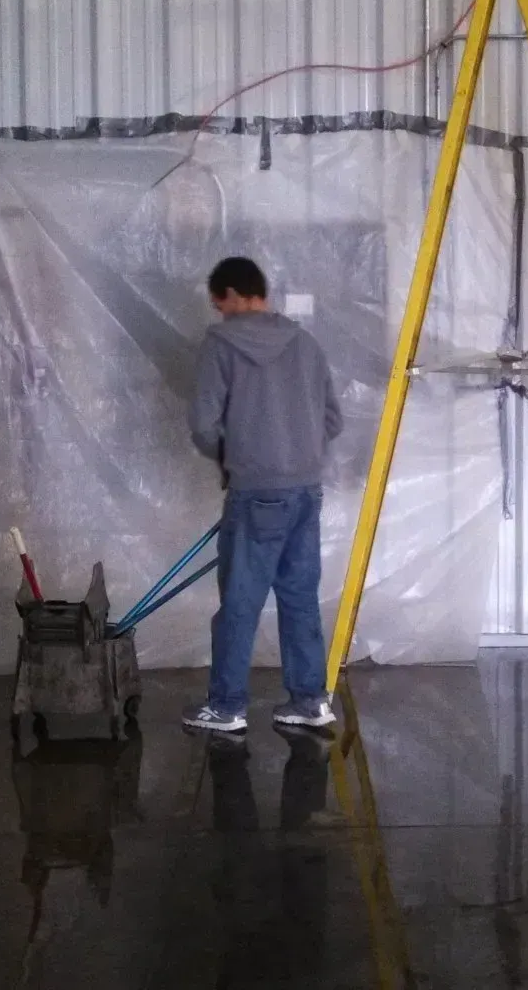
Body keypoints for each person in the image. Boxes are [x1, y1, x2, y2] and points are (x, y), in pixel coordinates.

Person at [184, 256, 342, 733]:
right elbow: (333, 420)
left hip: (255, 493)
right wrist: (297, 454)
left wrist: (239, 458)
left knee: (239, 601)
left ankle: (227, 706)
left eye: (219, 303)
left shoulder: (220, 346)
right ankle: (310, 701)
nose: (219, 313)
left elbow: (203, 424)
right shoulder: (306, 344)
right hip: (306, 491)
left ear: (233, 294)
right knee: (300, 598)